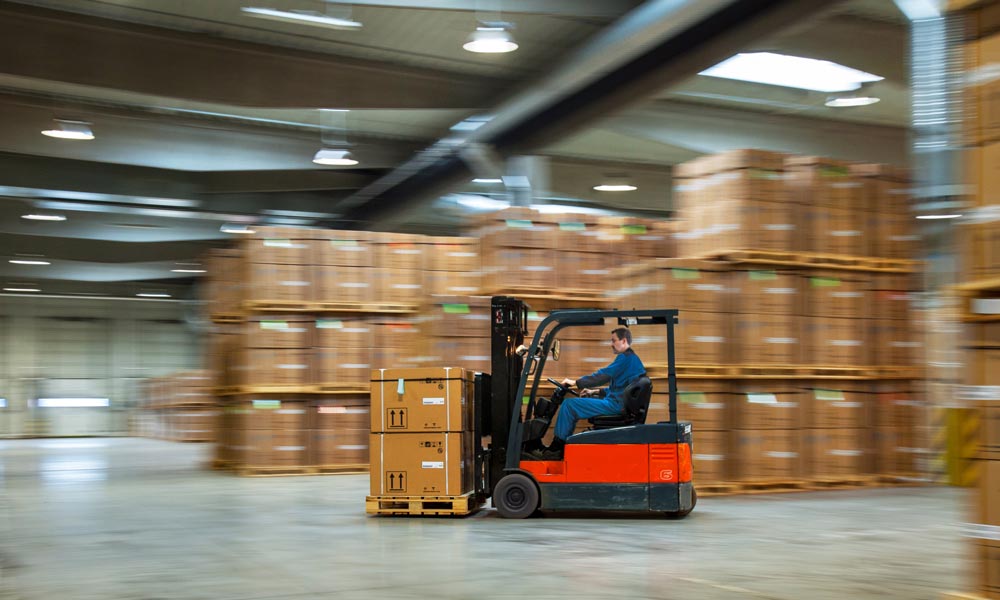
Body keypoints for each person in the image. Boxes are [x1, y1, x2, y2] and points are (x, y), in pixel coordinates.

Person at [538, 326, 645, 459]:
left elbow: (602, 376)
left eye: (613, 340)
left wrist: (576, 383)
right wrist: (593, 392)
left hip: (616, 406)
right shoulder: (631, 359)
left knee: (569, 405)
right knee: (572, 404)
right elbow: (619, 389)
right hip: (618, 403)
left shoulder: (625, 359)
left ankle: (557, 448)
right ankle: (560, 448)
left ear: (623, 341)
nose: (611, 344)